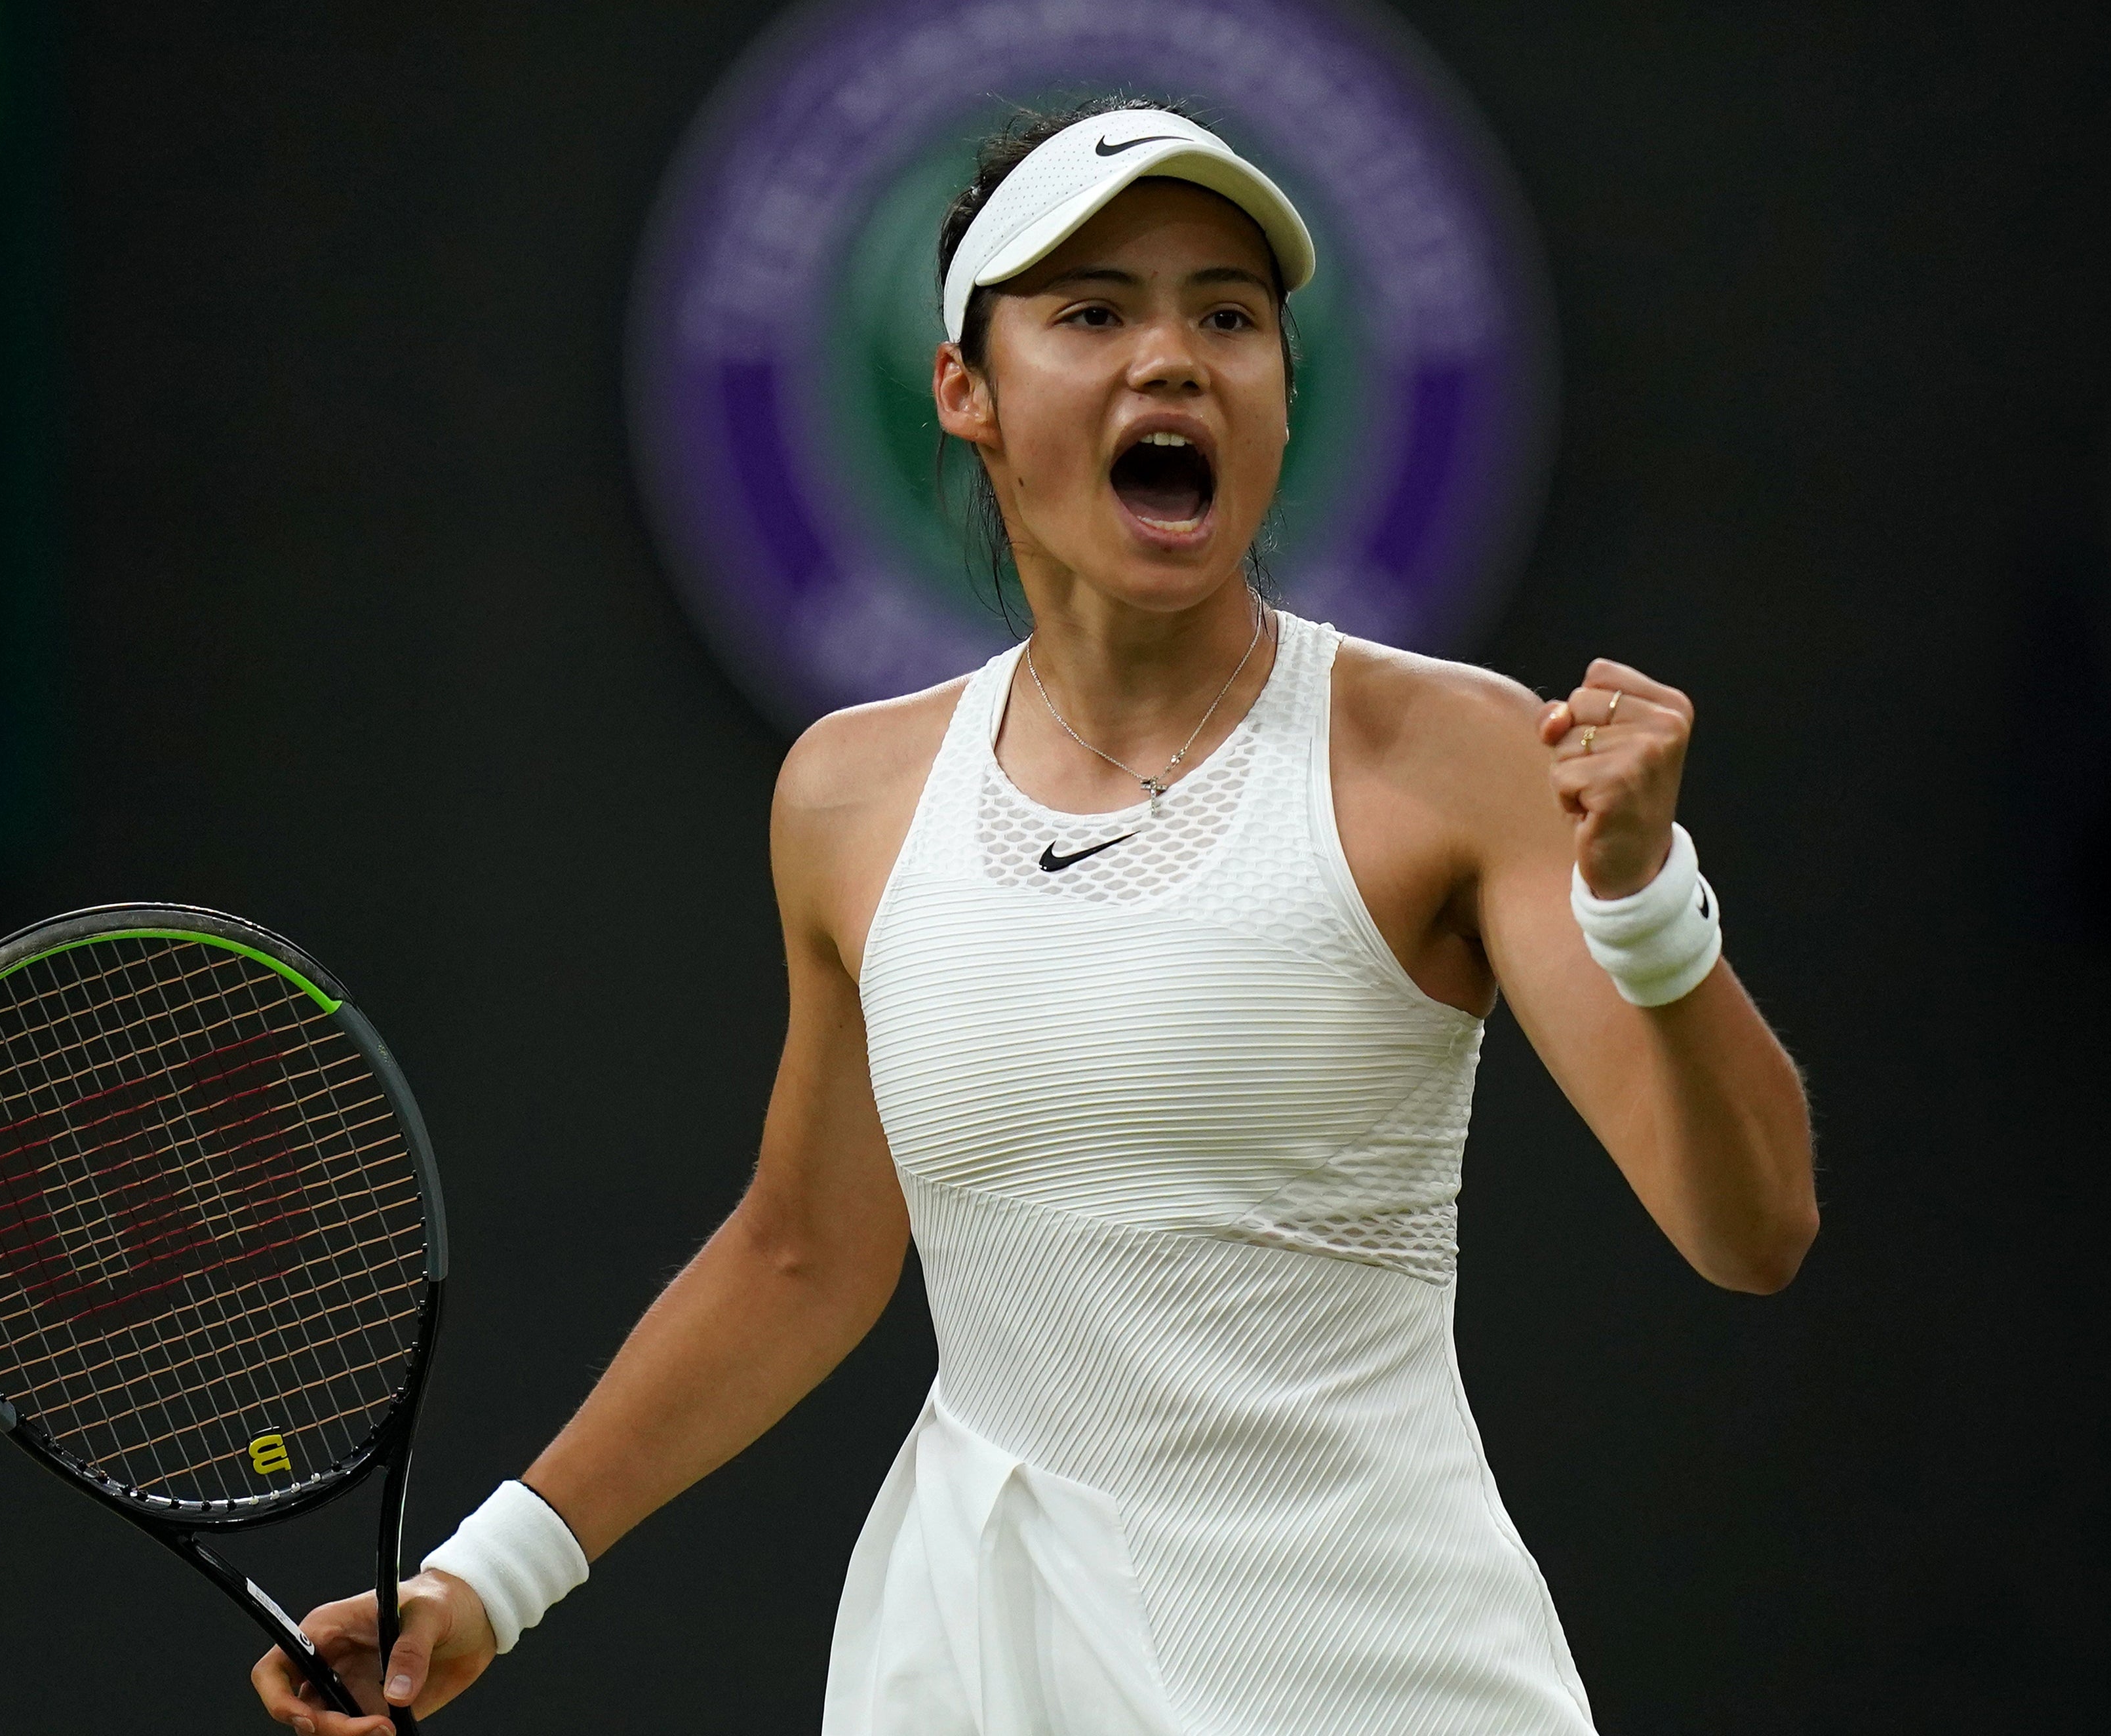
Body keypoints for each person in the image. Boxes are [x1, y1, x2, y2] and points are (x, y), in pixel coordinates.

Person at [254, 98, 1815, 1736]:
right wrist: (486, 1579)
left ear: (1281, 397)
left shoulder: (1458, 756)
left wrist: (1646, 900)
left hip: (1370, 1677)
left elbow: (1750, 1225)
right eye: (1091, 314)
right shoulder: (847, 798)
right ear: (964, 394)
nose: (1171, 358)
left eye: (1226, 314)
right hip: (974, 1673)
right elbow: (802, 1251)